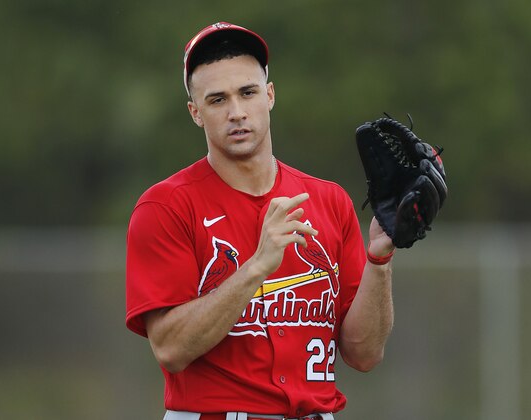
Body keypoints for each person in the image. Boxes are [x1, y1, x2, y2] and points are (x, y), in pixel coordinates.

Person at [126, 22, 396, 420]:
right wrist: (256, 266)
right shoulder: (166, 207)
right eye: (217, 100)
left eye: (247, 92)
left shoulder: (330, 201)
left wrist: (379, 259)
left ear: (269, 95)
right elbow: (170, 348)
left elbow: (365, 354)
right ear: (195, 113)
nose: (237, 112)